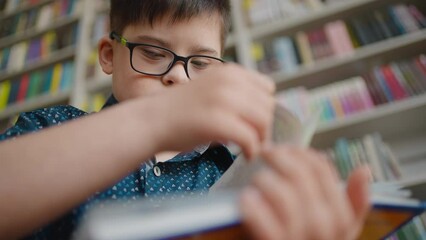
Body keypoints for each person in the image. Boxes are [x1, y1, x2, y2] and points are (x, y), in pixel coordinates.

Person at [0, 0, 371, 239]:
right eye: (152, 52)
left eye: (202, 63)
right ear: (110, 55)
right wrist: (154, 120)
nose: (178, 76)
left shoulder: (224, 169)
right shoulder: (53, 127)